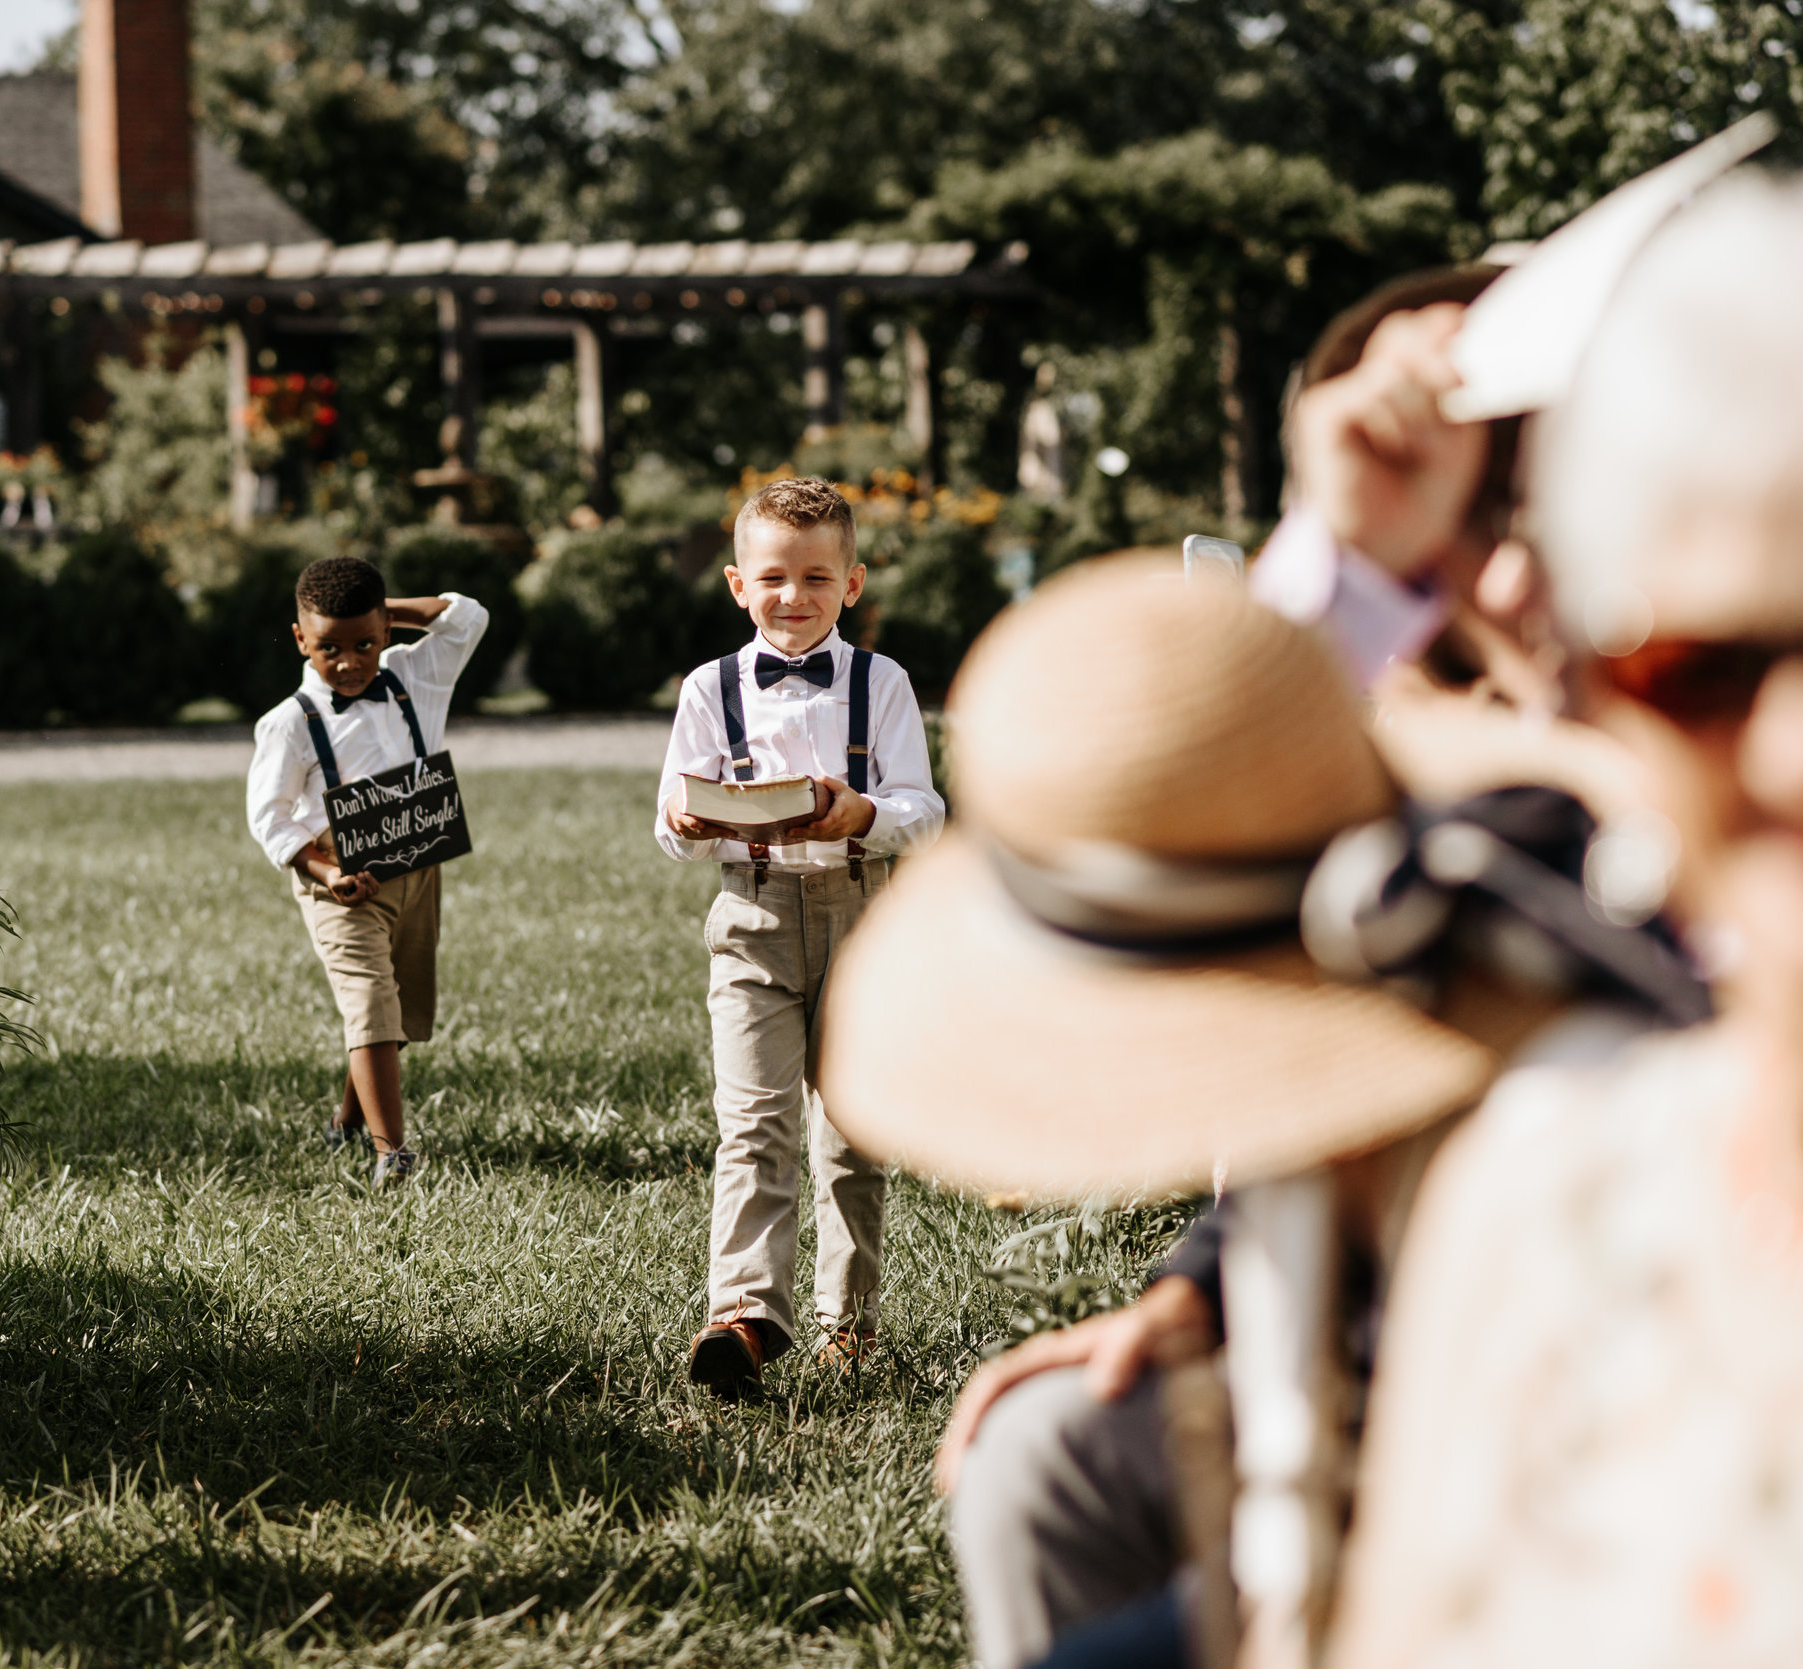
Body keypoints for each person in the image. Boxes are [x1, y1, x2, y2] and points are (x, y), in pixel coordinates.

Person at [816, 557, 1704, 1668]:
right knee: (1044, 1452)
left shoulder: (1591, 1091)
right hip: (1346, 1429)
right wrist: (1191, 1296)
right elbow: (1306, 1151)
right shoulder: (1354, 937)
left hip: (1579, 1511)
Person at [1328, 168, 1803, 1666]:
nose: (1793, 749)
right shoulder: (1539, 1198)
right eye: (1710, 678)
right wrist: (1348, 564)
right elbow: (1170, 844)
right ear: (1605, 703)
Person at [657, 476, 945, 1395]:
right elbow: (670, 818)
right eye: (773, 577)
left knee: (852, 1134)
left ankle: (848, 1322)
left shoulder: (881, 682)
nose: (794, 596)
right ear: (739, 585)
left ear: (852, 584)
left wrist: (861, 812)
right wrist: (690, 821)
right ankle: (743, 1315)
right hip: (751, 915)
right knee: (753, 1124)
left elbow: (924, 810)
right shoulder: (709, 689)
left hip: (863, 916)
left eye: (816, 578)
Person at [245, 555, 487, 1187]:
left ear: (387, 633)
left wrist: (388, 616)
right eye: (330, 647)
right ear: (301, 639)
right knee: (370, 999)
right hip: (341, 881)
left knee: (398, 1004)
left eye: (365, 643)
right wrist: (325, 872)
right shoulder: (288, 723)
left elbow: (467, 617)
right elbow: (269, 816)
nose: (350, 662)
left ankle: (347, 1121)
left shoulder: (417, 675)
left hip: (416, 867)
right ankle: (391, 1153)